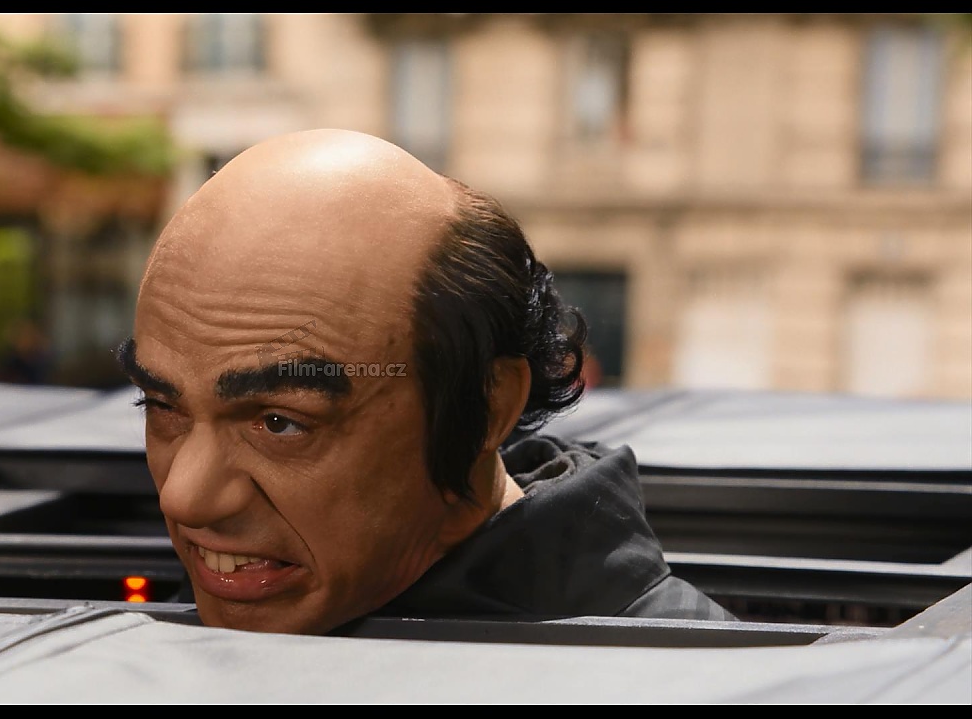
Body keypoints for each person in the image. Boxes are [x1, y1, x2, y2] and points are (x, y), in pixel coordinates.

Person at [117, 128, 735, 636]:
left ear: (485, 408)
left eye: (279, 422)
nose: (184, 499)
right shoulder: (150, 638)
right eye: (163, 405)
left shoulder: (706, 679)